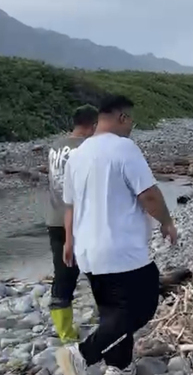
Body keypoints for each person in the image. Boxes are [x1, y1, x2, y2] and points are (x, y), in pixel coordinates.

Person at [56, 95, 179, 375]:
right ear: (122, 117)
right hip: (120, 250)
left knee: (112, 312)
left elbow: (70, 204)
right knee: (144, 303)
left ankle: (118, 367)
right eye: (131, 120)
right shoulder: (124, 149)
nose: (131, 126)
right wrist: (167, 222)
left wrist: (69, 241)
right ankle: (81, 354)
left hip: (88, 252)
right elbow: (148, 194)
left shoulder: (78, 155)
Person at [46, 105, 98, 343]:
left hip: (54, 219)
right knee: (99, 271)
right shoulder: (87, 149)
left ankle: (65, 332)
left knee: (63, 275)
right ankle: (107, 320)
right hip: (78, 221)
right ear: (93, 125)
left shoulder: (56, 145)